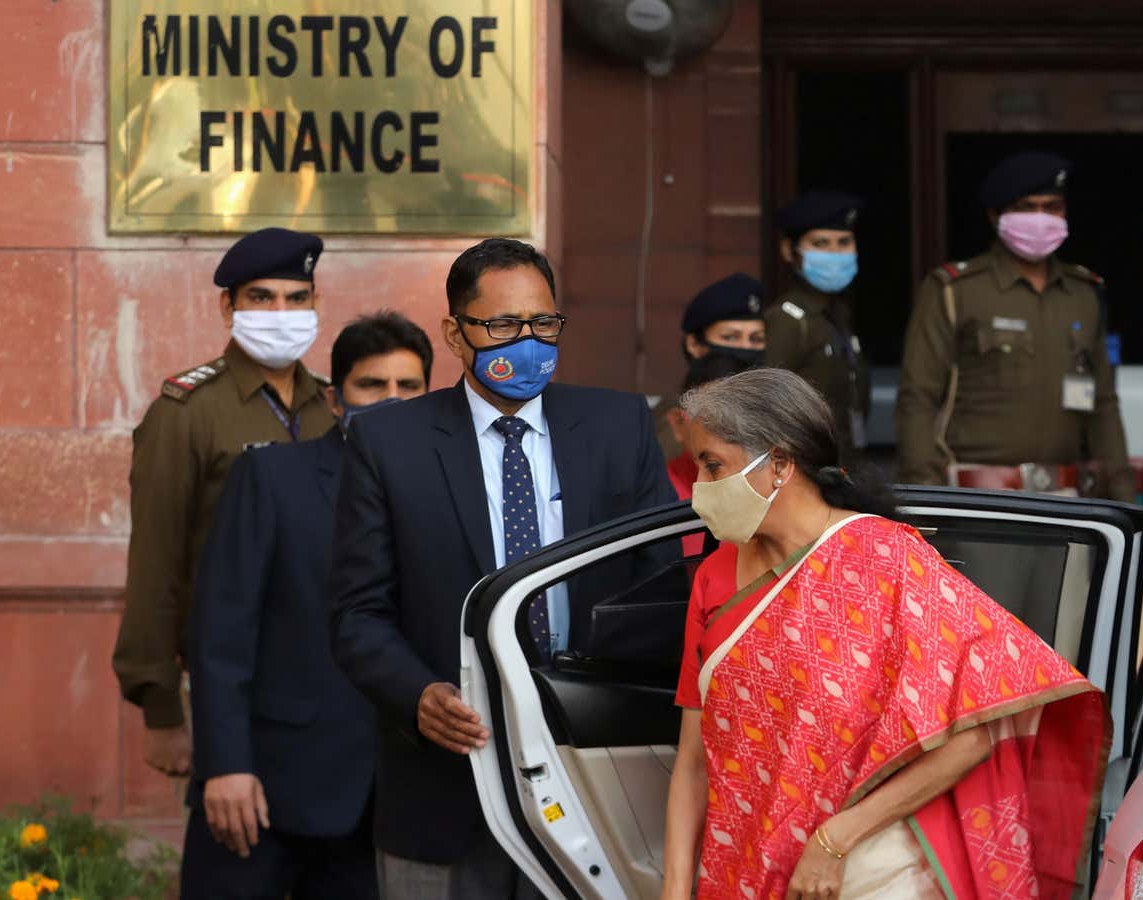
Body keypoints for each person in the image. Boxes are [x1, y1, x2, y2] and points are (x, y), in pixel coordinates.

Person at [661, 368, 1110, 900]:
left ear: (778, 464)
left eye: (714, 466)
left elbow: (969, 738)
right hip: (741, 867)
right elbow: (693, 762)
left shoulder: (888, 559)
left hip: (868, 870)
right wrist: (674, 890)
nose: (702, 488)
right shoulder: (715, 577)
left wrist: (834, 840)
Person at [329, 238, 678, 897]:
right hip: (445, 781)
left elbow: (659, 587)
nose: (527, 342)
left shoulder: (618, 425)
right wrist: (417, 694)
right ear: (455, 335)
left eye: (544, 323)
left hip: (594, 774)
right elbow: (357, 610)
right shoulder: (389, 443)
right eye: (502, 325)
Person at [182, 311, 434, 900]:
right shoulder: (270, 476)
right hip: (267, 786)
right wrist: (224, 765)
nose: (392, 400)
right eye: (372, 385)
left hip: (391, 799)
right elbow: (221, 633)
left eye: (409, 387)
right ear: (336, 398)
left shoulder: (449, 489)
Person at [114, 227, 337, 778]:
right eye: (261, 297)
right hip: (224, 683)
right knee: (234, 846)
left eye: (296, 297)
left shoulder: (331, 407)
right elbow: (154, 564)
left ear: (316, 302)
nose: (281, 313)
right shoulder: (187, 412)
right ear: (227, 305)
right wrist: (161, 708)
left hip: (326, 685)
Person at [896, 152, 1135, 501]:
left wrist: (1124, 498)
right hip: (979, 500)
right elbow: (918, 399)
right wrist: (926, 499)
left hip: (1068, 499)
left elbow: (1103, 405)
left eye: (1052, 207)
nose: (1041, 218)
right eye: (1027, 207)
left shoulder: (1083, 293)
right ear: (996, 216)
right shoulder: (955, 290)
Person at [766, 190, 873, 457]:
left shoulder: (837, 316)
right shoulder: (788, 320)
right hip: (806, 465)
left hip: (844, 462)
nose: (835, 253)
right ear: (789, 251)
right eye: (821, 243)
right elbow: (768, 408)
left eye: (844, 242)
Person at [655, 273, 768, 494]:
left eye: (756, 339)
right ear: (694, 344)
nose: (745, 349)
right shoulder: (677, 421)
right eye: (731, 338)